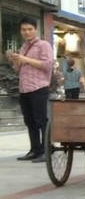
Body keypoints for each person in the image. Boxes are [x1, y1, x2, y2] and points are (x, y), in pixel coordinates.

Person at [6, 17, 54, 163]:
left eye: (29, 29)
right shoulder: (23, 47)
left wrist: (25, 59)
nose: (26, 32)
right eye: (23, 30)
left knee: (41, 120)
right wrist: (14, 60)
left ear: (35, 30)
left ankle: (47, 150)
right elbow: (18, 69)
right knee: (30, 121)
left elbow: (47, 65)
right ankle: (35, 150)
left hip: (39, 87)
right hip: (24, 89)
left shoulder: (43, 45)